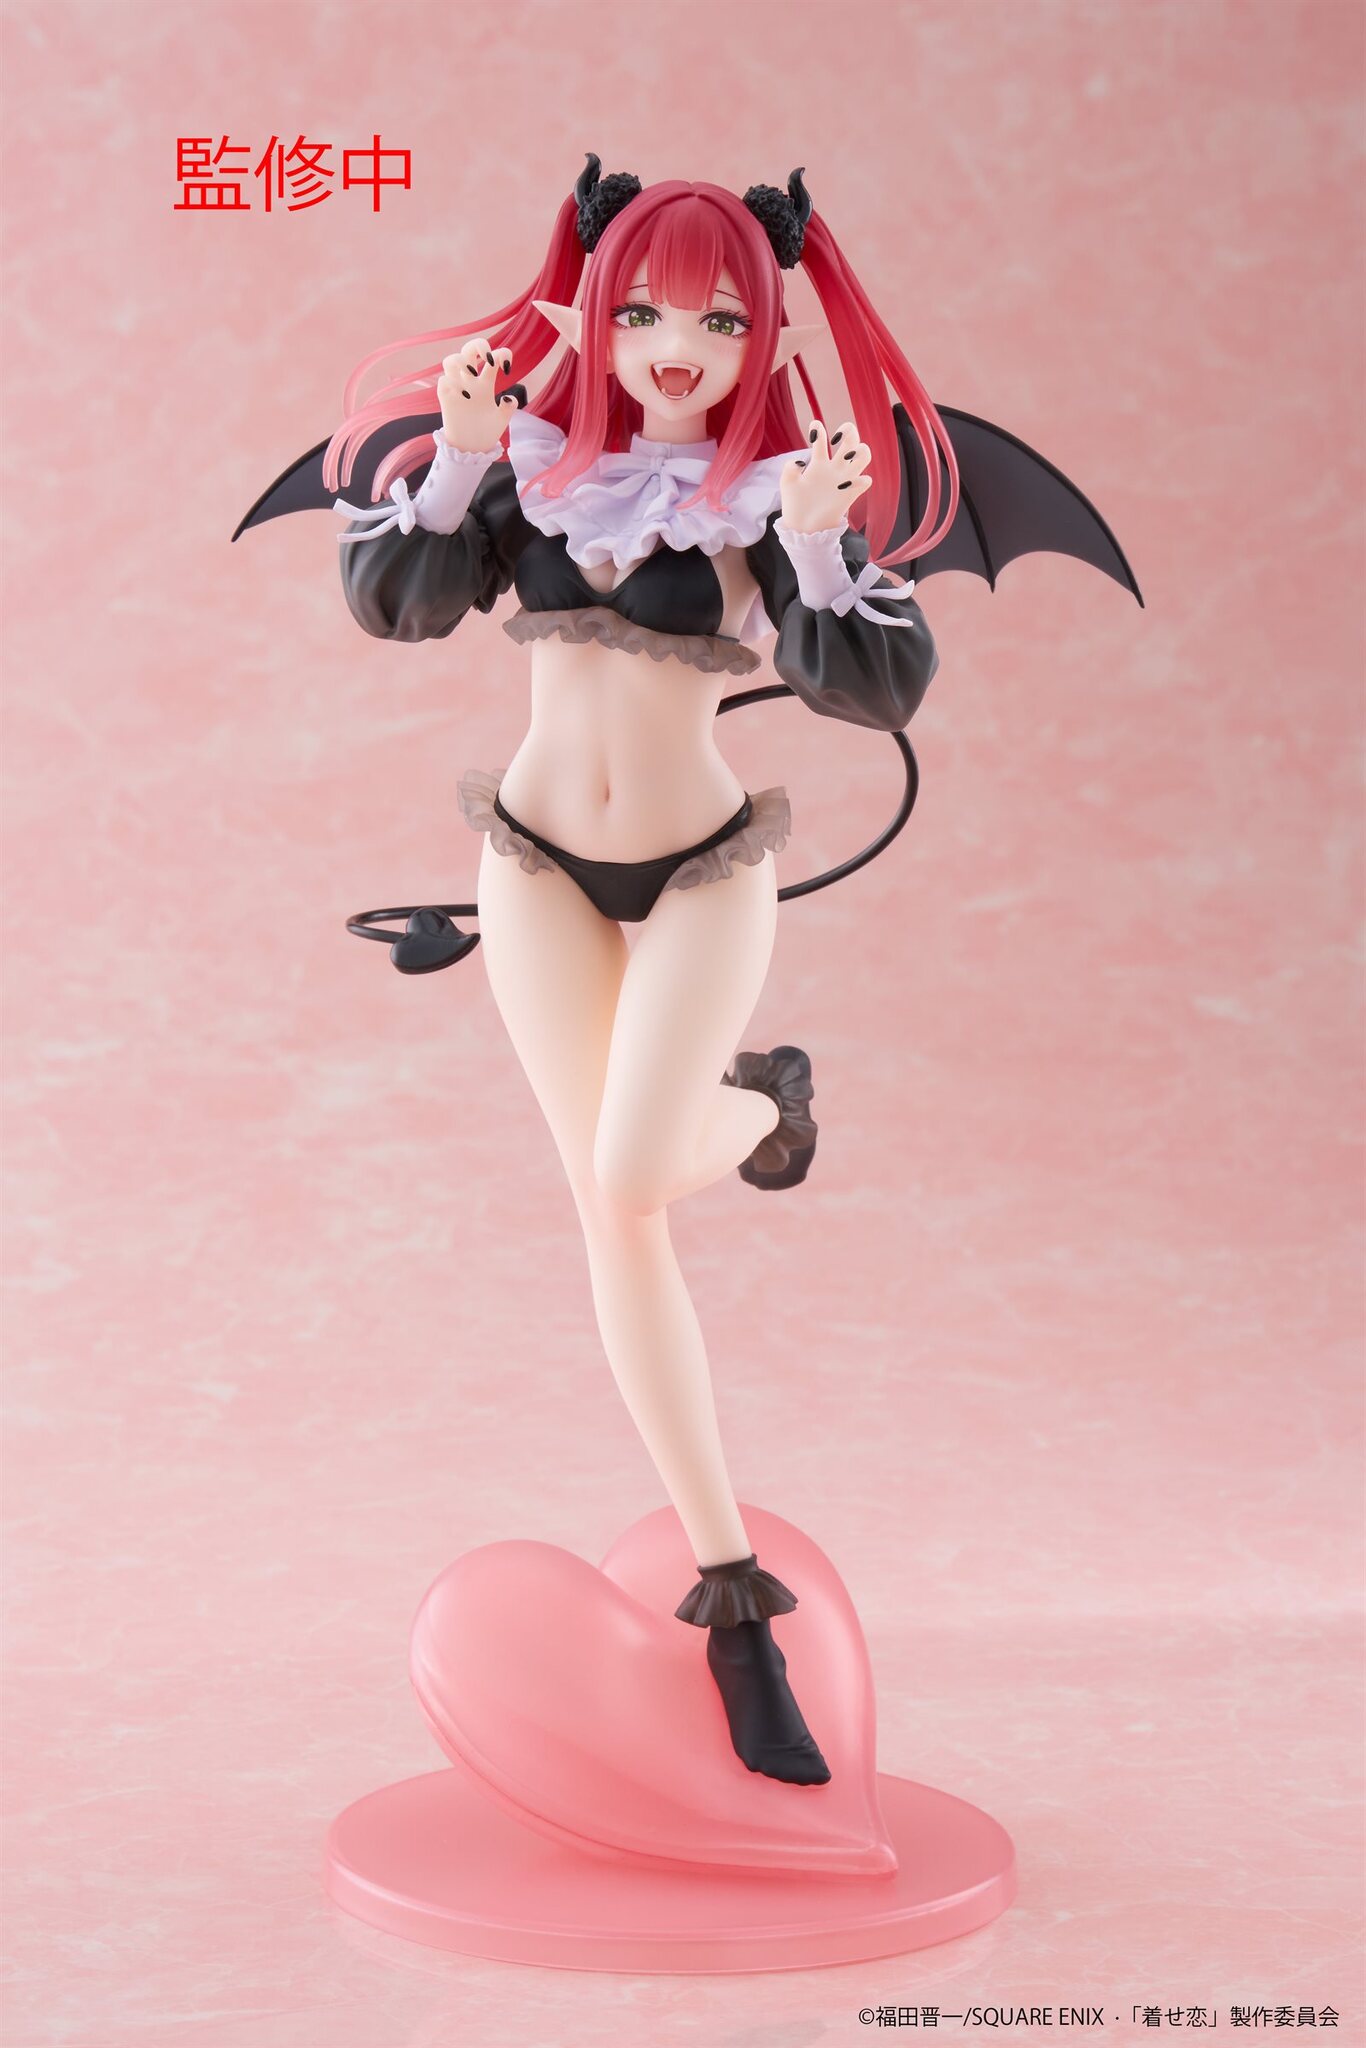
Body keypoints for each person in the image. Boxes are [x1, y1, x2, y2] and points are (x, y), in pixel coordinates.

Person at [326, 160, 954, 1785]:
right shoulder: (534, 467)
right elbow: (397, 610)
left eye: (723, 321)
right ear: (593, 316)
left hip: (702, 873)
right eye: (647, 314)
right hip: (534, 859)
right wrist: (465, 458)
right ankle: (733, 1604)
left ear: (769, 337)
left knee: (631, 1168)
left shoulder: (779, 493)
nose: (680, 349)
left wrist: (816, 550)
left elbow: (874, 694)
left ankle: (759, 1106)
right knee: (614, 1213)